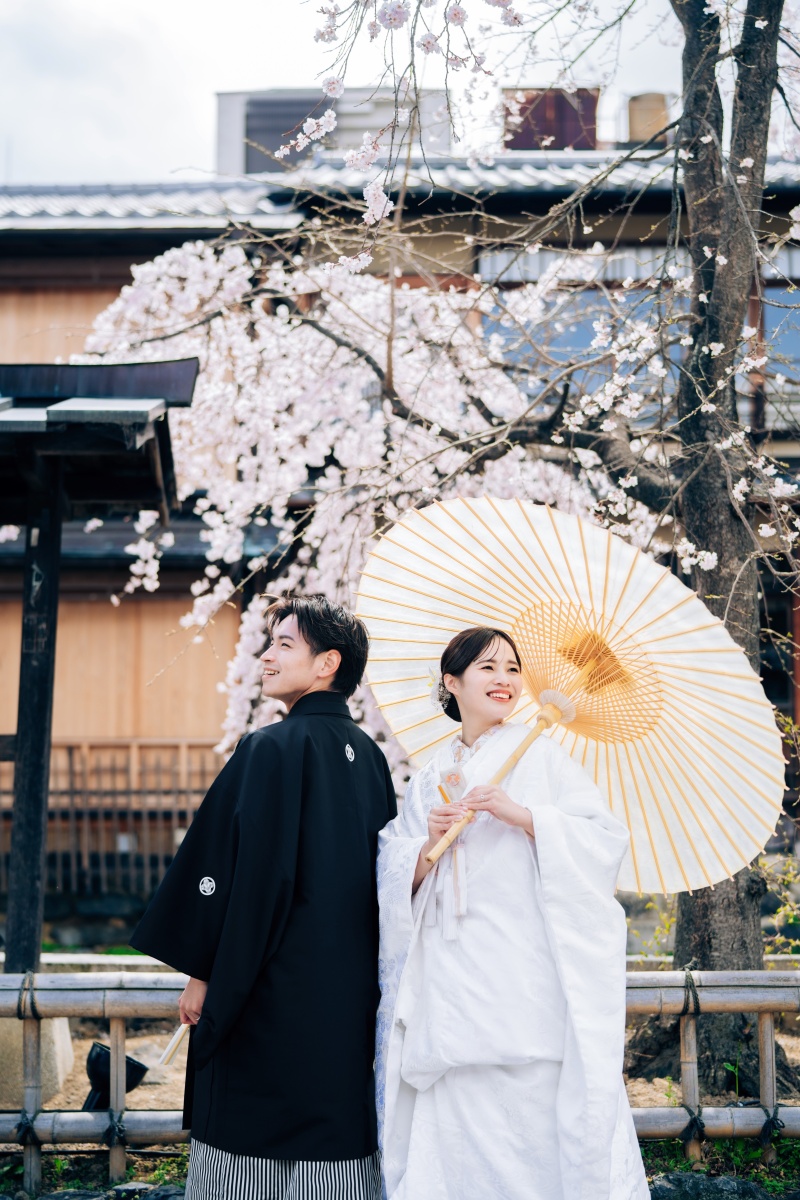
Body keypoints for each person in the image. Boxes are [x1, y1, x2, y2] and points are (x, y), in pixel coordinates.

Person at [130, 594, 397, 1200]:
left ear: (328, 663)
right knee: (333, 1130)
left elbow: (237, 874)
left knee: (250, 1135)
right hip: (346, 990)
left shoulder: (270, 748)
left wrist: (204, 969)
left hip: (269, 983)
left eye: (283, 644)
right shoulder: (372, 760)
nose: (266, 655)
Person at [376, 626, 649, 1200]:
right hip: (448, 965)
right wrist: (427, 845)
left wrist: (524, 815)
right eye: (487, 668)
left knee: (526, 1091)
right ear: (451, 682)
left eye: (512, 668)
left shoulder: (542, 754)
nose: (505, 680)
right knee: (451, 1102)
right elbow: (393, 864)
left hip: (519, 963)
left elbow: (602, 840)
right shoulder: (430, 774)